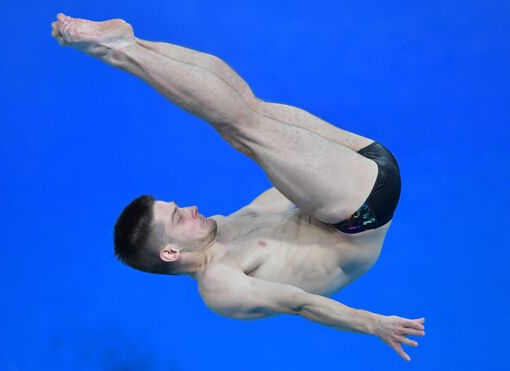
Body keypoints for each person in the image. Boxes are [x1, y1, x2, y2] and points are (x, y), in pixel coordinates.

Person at [51, 13, 426, 362]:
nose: (193, 208)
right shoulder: (220, 285)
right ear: (170, 252)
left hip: (361, 164)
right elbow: (300, 303)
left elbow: (289, 193)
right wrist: (373, 324)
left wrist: (278, 157)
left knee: (248, 111)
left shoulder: (223, 228)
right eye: (179, 217)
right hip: (360, 211)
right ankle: (121, 51)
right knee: (243, 126)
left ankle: (134, 42)